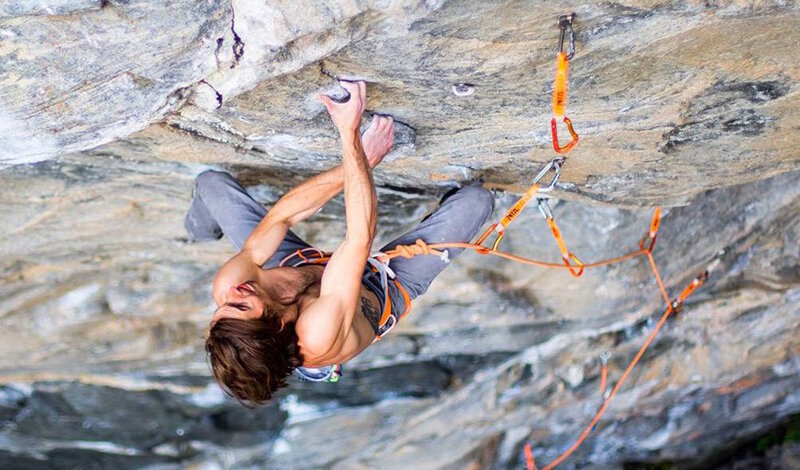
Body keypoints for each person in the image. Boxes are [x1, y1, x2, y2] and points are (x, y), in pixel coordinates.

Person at [186, 81, 494, 405]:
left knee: (211, 184)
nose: (232, 295)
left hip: (299, 263)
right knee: (476, 202)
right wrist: (351, 135)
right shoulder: (317, 332)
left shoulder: (232, 287)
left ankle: (199, 230)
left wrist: (359, 164)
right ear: (275, 323)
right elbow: (359, 237)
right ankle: (319, 367)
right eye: (240, 306)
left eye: (221, 309)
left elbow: (280, 218)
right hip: (383, 287)